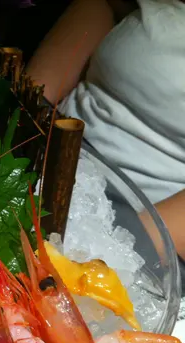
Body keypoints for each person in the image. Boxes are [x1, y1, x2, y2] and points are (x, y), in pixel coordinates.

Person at [25, 0, 185, 259]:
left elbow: (135, 245)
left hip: (135, 220)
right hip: (45, 139)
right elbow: (104, 4)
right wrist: (26, 107)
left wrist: (119, 249)